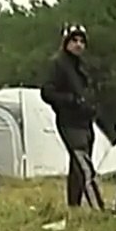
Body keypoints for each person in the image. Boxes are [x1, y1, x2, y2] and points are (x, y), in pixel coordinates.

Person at [40, 25, 104, 209]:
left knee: (78, 168)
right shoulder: (58, 64)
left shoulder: (81, 66)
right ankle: (98, 208)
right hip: (70, 122)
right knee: (83, 166)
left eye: (82, 41)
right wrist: (72, 100)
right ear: (66, 42)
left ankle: (74, 207)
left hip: (85, 121)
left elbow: (89, 92)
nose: (78, 44)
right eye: (74, 40)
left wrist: (92, 106)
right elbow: (47, 92)